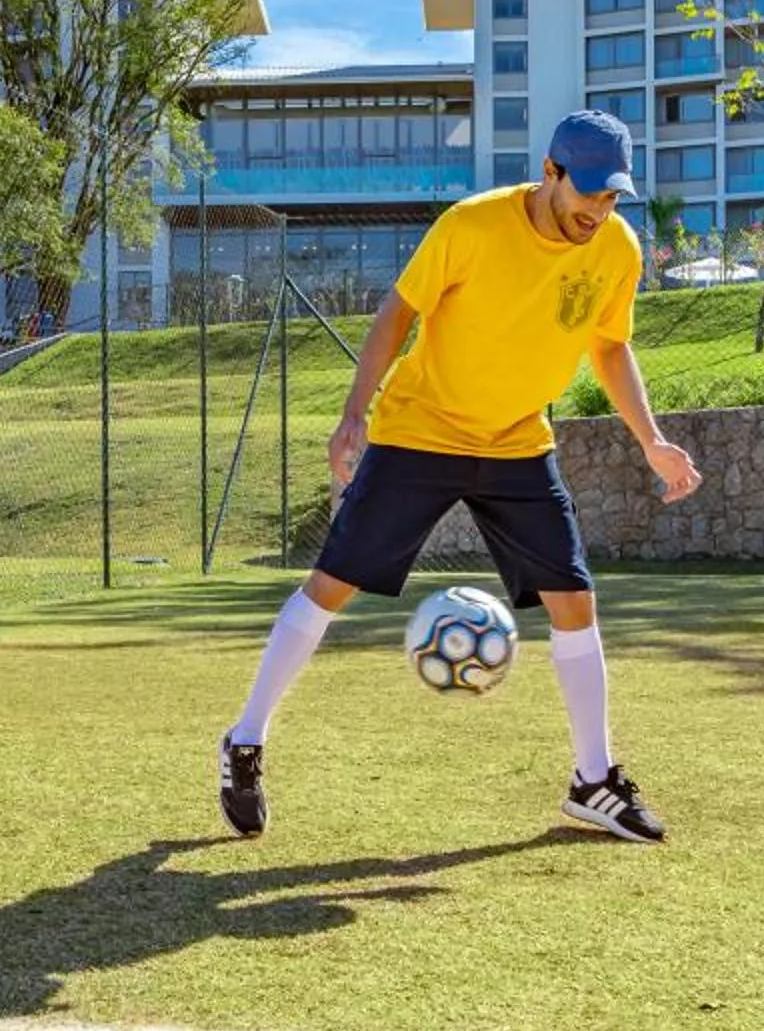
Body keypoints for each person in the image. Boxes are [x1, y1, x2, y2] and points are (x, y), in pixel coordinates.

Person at [216, 110, 704, 844]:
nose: (597, 212)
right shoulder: (472, 226)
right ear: (551, 172)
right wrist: (355, 414)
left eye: (611, 199)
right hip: (421, 429)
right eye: (589, 195)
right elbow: (397, 313)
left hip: (516, 440)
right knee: (332, 586)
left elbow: (610, 347)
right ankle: (244, 742)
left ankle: (594, 781)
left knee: (574, 600)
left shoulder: (617, 250)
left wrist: (653, 440)